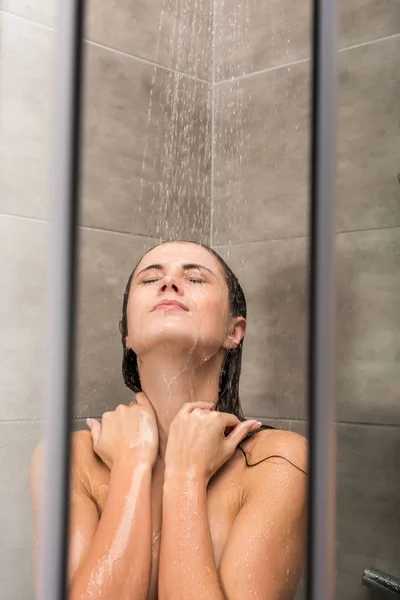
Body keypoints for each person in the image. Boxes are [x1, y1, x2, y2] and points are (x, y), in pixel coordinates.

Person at [30, 239, 308, 600]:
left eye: (195, 278)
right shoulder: (68, 459)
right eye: (150, 279)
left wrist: (185, 475)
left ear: (233, 331)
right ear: (126, 332)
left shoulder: (277, 461)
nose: (169, 283)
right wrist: (132, 464)